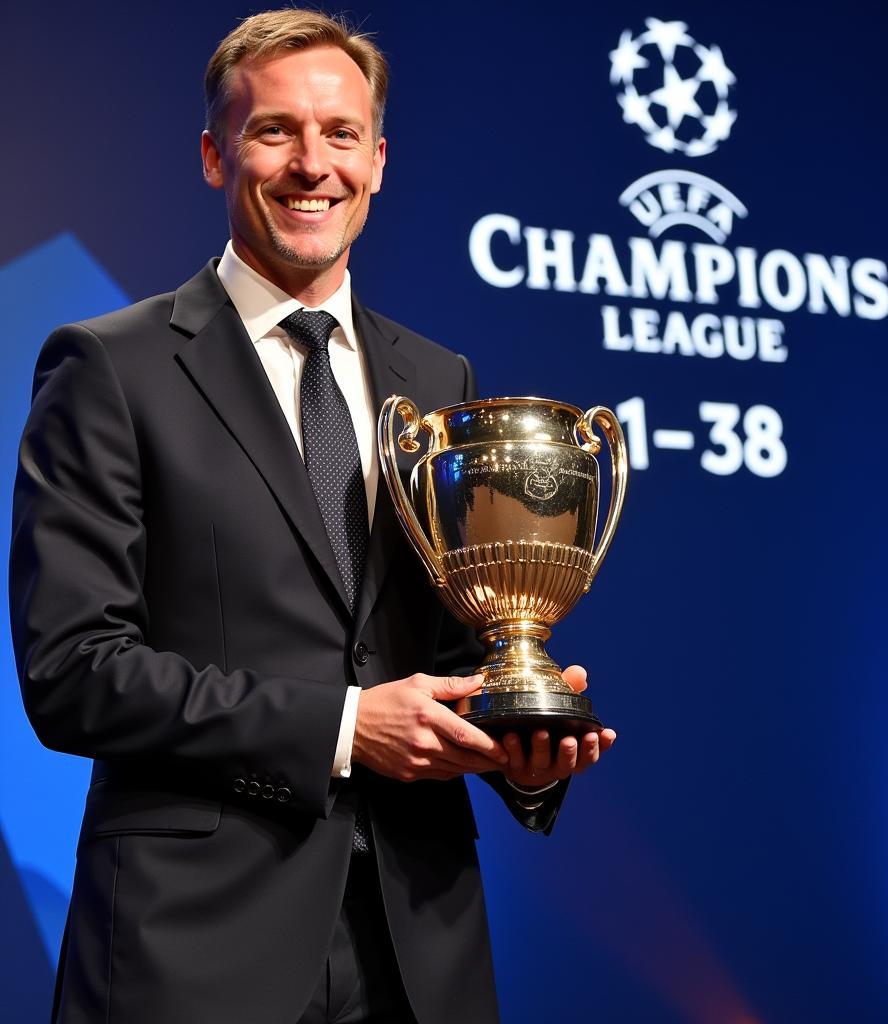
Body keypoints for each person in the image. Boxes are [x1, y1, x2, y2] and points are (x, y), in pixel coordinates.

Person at [9, 9, 615, 1024]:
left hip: (418, 949)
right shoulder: (109, 366)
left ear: (377, 160)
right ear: (215, 155)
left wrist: (520, 739)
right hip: (192, 949)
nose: (311, 165)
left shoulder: (436, 380)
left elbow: (451, 649)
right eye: (273, 130)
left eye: (339, 134)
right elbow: (72, 671)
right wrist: (343, 728)